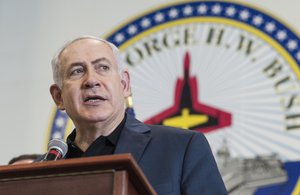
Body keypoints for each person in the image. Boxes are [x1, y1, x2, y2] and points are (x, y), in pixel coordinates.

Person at [49, 36, 227, 194]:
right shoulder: (43, 171)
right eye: (77, 71)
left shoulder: (182, 148)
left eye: (102, 67)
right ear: (59, 97)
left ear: (124, 84)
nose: (91, 80)